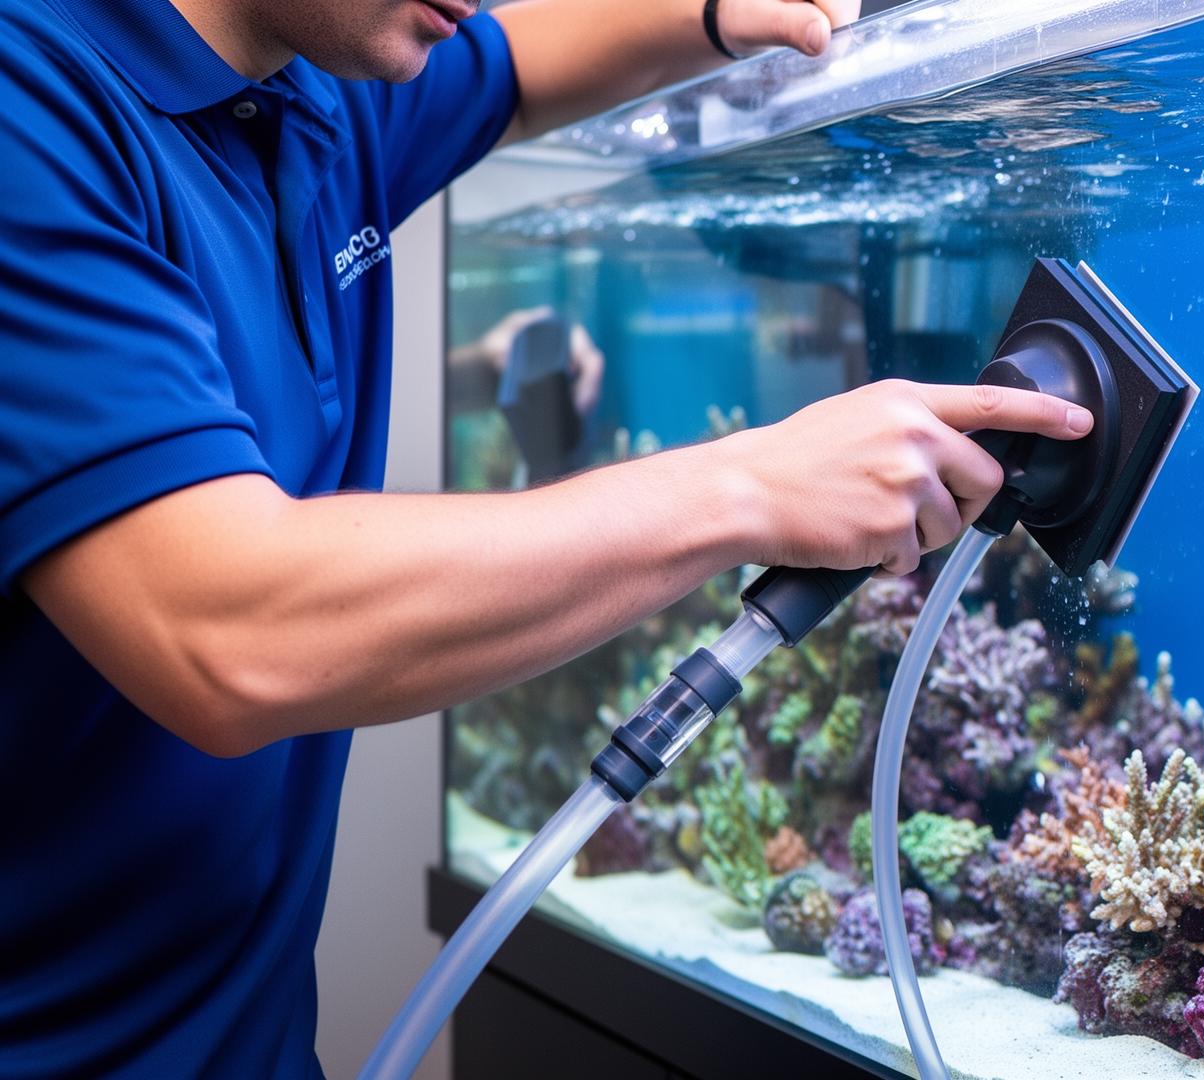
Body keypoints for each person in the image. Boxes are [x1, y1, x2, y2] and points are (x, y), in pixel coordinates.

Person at [0, 0, 1094, 1075]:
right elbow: (228, 631)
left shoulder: (320, 78)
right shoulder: (31, 102)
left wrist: (717, 12)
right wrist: (754, 484)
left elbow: (519, 58)